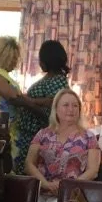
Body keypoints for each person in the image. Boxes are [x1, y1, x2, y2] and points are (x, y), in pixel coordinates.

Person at [11, 39, 70, 174]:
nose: (39, 62)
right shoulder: (51, 78)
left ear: (48, 60)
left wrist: (27, 103)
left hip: (39, 137)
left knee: (31, 173)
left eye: (41, 59)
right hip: (30, 135)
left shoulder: (57, 81)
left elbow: (50, 114)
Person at [0, 36, 22, 166]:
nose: (15, 62)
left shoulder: (3, 75)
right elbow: (15, 99)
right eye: (13, 58)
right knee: (13, 161)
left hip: (16, 125)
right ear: (5, 57)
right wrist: (40, 102)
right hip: (10, 126)